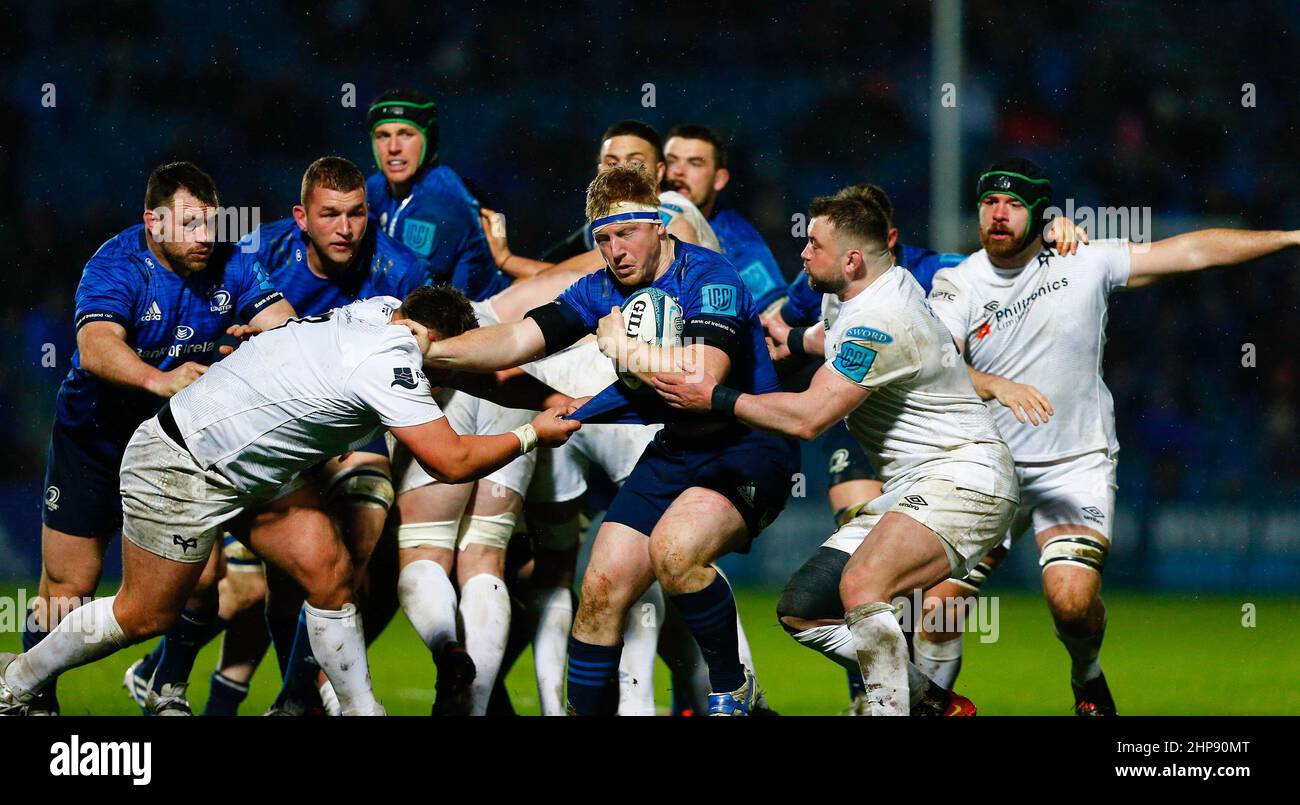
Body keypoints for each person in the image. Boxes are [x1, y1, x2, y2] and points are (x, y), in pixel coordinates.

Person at [0, 290, 580, 716]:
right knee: (144, 614)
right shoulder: (393, 359)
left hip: (244, 465)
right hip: (181, 463)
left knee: (329, 571)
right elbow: (449, 460)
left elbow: (481, 375)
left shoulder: (380, 311)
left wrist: (553, 395)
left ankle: (360, 711)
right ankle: (16, 685)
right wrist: (532, 432)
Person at [924, 157, 1300, 715]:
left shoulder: (1084, 259)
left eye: (1013, 205)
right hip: (990, 468)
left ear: (1041, 213)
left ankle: (1087, 676)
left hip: (1075, 463)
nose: (997, 215)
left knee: (1072, 605)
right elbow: (941, 367)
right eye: (988, 203)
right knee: (936, 608)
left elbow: (1193, 251)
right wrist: (996, 385)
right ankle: (932, 706)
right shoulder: (957, 281)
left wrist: (1293, 236)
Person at [421, 165, 799, 715]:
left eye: (626, 233)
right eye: (602, 238)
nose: (615, 250)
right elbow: (516, 339)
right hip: (677, 449)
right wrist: (431, 352)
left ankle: (732, 684)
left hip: (747, 446)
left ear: (659, 226)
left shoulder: (710, 277)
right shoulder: (599, 288)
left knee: (675, 552)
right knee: (598, 591)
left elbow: (703, 377)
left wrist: (622, 347)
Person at [653, 195, 1019, 715]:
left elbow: (809, 418)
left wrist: (715, 398)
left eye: (814, 244)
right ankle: (930, 702)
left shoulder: (883, 319)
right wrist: (792, 339)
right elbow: (831, 334)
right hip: (919, 486)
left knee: (862, 586)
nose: (802, 253)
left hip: (967, 478)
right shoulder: (862, 291)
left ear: (851, 260)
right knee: (803, 611)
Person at [24, 161, 294, 716]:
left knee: (204, 580)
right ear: (153, 221)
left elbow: (282, 324)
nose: (204, 238)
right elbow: (96, 345)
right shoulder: (116, 263)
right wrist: (159, 379)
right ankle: (34, 696)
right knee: (69, 582)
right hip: (95, 435)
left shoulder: (233, 261)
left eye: (211, 225)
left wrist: (271, 344)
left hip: (177, 440)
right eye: (190, 224)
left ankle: (165, 687)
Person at [365, 88, 518, 297]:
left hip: (478, 317)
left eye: (406, 134)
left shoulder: (442, 201)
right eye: (383, 136)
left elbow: (410, 293)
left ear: (429, 138)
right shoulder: (374, 188)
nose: (393, 147)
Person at [664, 124, 787, 313]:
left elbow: (772, 316)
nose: (678, 172)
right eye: (671, 161)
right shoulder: (629, 213)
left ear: (719, 179)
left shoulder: (740, 241)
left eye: (694, 163)